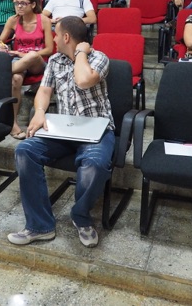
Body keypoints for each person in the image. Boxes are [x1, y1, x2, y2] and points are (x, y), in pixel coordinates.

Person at [8, 16, 114, 248]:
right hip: (65, 129)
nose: (53, 38)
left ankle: (81, 216)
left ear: (66, 37)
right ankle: (40, 225)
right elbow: (45, 91)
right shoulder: (55, 61)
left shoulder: (99, 58)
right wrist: (38, 111)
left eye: (56, 34)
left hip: (97, 129)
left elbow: (84, 80)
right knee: (25, 150)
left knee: (95, 163)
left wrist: (80, 54)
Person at [0, 0, 53, 139]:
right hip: (19, 62)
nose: (19, 6)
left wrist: (23, 54)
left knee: (32, 55)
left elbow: (49, 49)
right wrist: (1, 46)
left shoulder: (43, 20)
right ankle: (13, 123)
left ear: (33, 4)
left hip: (38, 62)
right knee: (16, 79)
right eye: (16, 3)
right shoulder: (13, 20)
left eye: (23, 3)